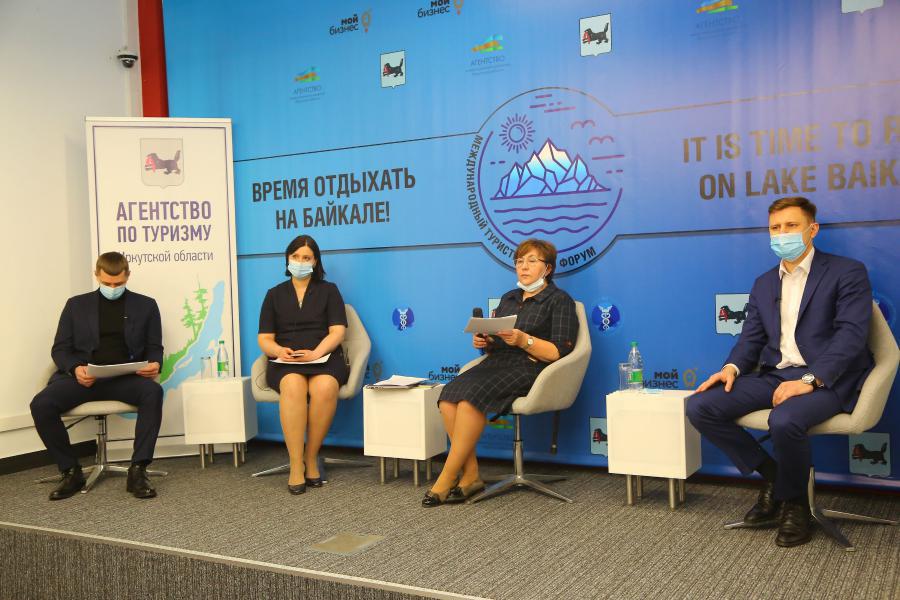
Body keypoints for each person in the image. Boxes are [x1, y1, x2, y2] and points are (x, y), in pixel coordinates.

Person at [687, 197, 873, 547]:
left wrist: (810, 380)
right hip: (776, 374)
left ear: (812, 230)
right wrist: (730, 368)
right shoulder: (764, 283)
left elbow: (851, 337)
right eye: (775, 228)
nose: (782, 234)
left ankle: (795, 504)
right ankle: (774, 476)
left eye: (791, 226)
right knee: (700, 406)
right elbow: (751, 338)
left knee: (785, 420)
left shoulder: (847, 272)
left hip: (828, 379)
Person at [422, 238, 579, 507]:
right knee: (448, 396)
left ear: (548, 268)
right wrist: (484, 341)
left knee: (471, 399)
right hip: (497, 363)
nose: (523, 266)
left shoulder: (560, 300)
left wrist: (523, 340)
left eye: (532, 261)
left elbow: (558, 352)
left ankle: (447, 477)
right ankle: (471, 475)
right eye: (519, 261)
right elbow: (497, 339)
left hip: (532, 367)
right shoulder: (509, 298)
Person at [31, 252, 164, 500]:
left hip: (124, 378)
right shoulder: (75, 305)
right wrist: (75, 369)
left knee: (153, 392)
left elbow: (154, 346)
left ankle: (138, 470)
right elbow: (60, 349)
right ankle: (70, 470)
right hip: (84, 379)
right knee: (41, 404)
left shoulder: (146, 305)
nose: (113, 288)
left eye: (118, 283)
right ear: (97, 275)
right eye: (107, 283)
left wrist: (156, 363)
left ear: (128, 276)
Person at [258, 235, 349, 495]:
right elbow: (264, 338)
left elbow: (337, 332)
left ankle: (311, 456)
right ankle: (296, 464)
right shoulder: (274, 294)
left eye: (306, 257)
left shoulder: (329, 290)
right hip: (285, 361)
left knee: (325, 388)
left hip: (324, 357)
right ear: (288, 258)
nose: (300, 261)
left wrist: (316, 353)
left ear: (315, 261)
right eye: (296, 256)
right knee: (294, 386)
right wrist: (279, 351)